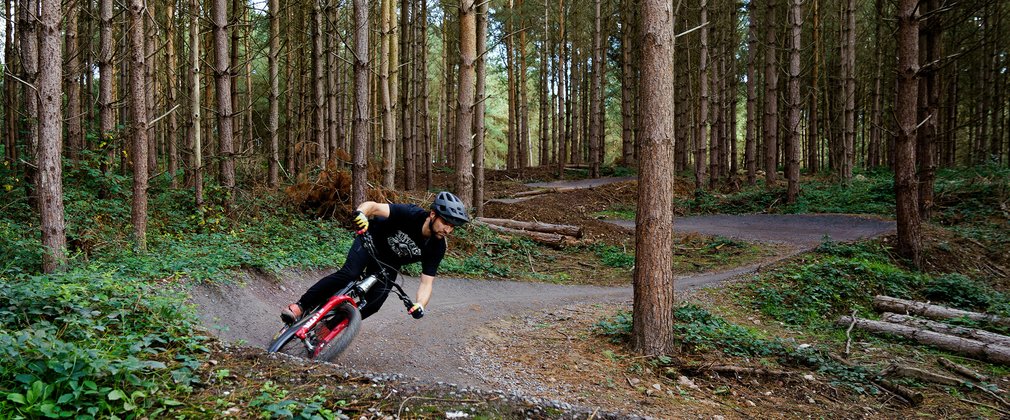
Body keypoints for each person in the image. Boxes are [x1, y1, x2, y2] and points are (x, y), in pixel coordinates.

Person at [281, 191, 469, 324]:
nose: (448, 229)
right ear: (433, 214)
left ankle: (329, 329)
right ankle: (300, 306)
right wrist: (362, 214)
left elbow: (427, 283)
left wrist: (420, 304)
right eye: (445, 222)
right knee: (349, 274)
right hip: (371, 241)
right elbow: (373, 206)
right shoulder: (411, 214)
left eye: (453, 227)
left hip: (389, 264)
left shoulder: (437, 246)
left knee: (374, 304)